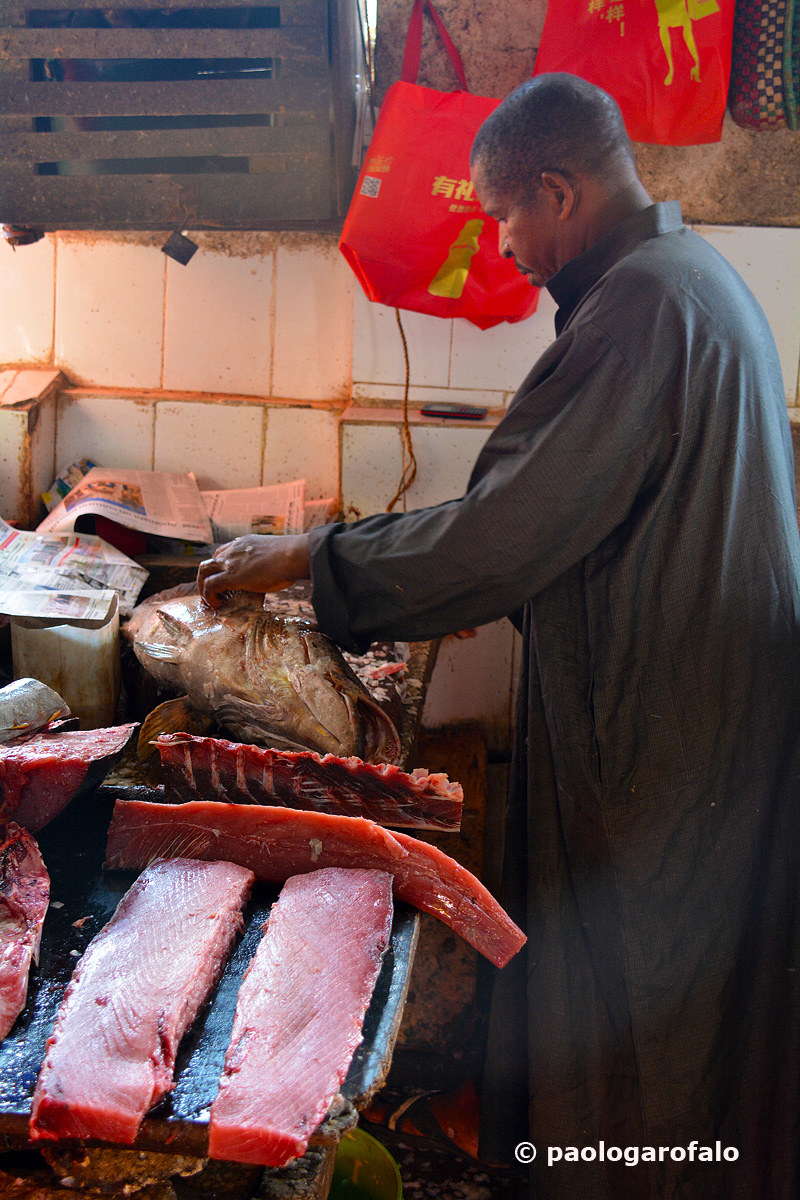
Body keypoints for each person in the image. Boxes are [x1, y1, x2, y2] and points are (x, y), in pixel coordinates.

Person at [197, 73, 800, 1199]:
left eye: (504, 214)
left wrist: (307, 560)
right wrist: (409, 558)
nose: (503, 243)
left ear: (558, 191)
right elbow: (534, 517)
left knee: (635, 1004)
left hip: (663, 732)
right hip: (696, 704)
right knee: (673, 1008)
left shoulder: (640, 314)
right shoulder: (681, 283)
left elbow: (497, 536)